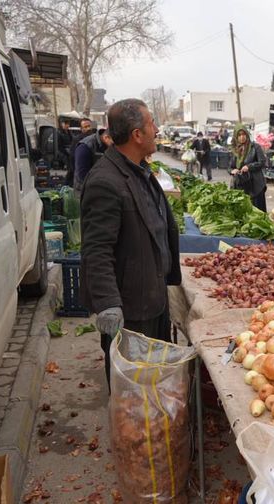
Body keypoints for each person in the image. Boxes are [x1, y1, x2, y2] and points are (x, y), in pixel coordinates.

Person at [80, 99, 181, 385]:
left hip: (153, 298)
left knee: (153, 383)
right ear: (137, 134)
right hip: (131, 311)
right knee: (132, 393)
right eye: (151, 124)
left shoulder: (139, 170)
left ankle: (151, 429)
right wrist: (108, 304)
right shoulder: (105, 181)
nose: (157, 130)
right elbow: (96, 249)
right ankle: (133, 431)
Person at [230, 125, 268, 211]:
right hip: (240, 184)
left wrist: (249, 166)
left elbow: (262, 162)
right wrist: (233, 170)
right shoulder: (235, 150)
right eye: (239, 135)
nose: (242, 137)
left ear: (247, 135)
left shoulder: (255, 147)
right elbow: (230, 166)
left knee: (256, 211)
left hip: (255, 185)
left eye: (244, 134)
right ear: (236, 137)